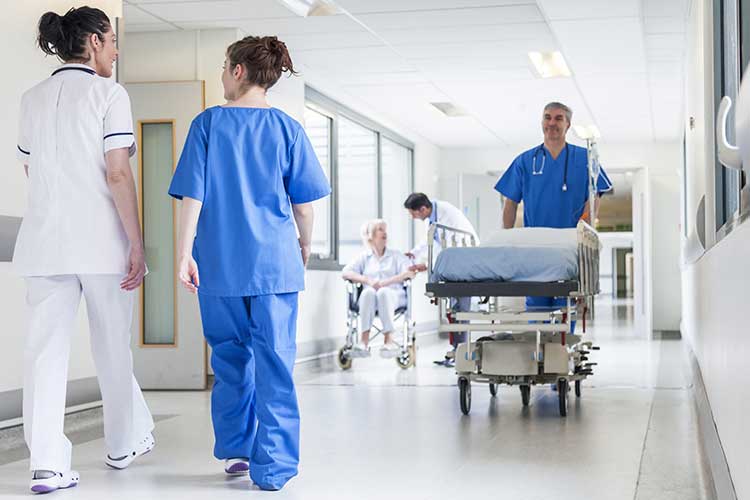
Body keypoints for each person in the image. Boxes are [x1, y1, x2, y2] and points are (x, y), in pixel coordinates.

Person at [168, 35, 330, 491]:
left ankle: (238, 450)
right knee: (275, 363)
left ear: (238, 71)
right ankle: (274, 467)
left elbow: (192, 196)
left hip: (219, 263)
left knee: (230, 358)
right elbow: (305, 205)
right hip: (275, 266)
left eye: (224, 66)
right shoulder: (287, 129)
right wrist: (303, 245)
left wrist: (184, 255)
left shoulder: (207, 125)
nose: (221, 74)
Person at [14, 6, 155, 494]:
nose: (116, 50)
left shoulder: (31, 99)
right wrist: (136, 241)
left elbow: (33, 173)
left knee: (43, 355)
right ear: (94, 41)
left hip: (43, 244)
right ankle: (121, 443)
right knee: (112, 345)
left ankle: (47, 466)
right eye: (113, 39)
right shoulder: (108, 94)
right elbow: (117, 172)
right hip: (101, 243)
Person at [495, 101, 612, 315]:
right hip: (536, 245)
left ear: (568, 125)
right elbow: (510, 201)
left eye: (558, 118)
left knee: (565, 307)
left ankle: (561, 348)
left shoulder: (584, 158)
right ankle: (539, 347)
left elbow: (595, 195)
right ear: (541, 122)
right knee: (536, 307)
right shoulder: (525, 160)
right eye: (547, 117)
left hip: (569, 244)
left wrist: (583, 224)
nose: (552, 123)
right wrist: (507, 237)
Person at [403, 193, 479, 367]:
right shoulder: (433, 216)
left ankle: (461, 353)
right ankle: (455, 351)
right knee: (453, 312)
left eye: (413, 213)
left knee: (461, 312)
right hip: (453, 267)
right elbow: (430, 241)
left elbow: (448, 246)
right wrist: (415, 253)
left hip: (463, 265)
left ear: (422, 209)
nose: (413, 217)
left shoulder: (446, 215)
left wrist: (429, 266)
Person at [342, 220, 415, 358]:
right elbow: (346, 273)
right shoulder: (365, 257)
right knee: (368, 292)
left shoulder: (396, 256)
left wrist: (386, 282)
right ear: (371, 235)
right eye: (380, 229)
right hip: (369, 300)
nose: (385, 232)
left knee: (383, 292)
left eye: (385, 229)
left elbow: (410, 272)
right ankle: (363, 342)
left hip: (393, 296)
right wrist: (368, 280)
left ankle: (389, 340)